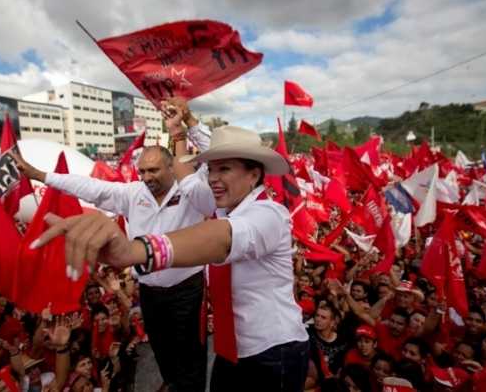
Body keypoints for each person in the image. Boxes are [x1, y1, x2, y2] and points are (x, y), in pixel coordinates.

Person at [31, 120, 310, 391]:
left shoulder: (270, 214)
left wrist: (136, 250)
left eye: (224, 169)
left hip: (273, 353)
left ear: (254, 174)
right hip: (231, 350)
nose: (212, 178)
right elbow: (187, 177)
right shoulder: (220, 206)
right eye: (210, 169)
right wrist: (178, 130)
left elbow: (222, 239)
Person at [12, 98, 211, 392]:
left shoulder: (193, 189)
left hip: (187, 292)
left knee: (191, 360)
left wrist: (190, 122)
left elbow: (215, 155)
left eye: (154, 171)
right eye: (142, 171)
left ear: (172, 167)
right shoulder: (133, 193)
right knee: (164, 355)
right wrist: (42, 176)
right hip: (151, 295)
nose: (146, 178)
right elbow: (90, 188)